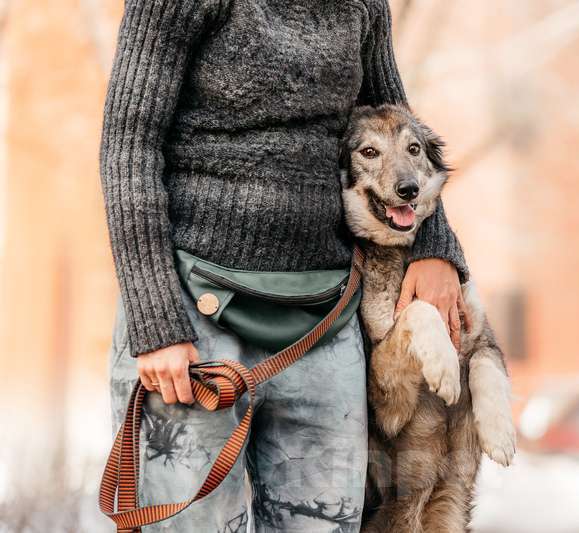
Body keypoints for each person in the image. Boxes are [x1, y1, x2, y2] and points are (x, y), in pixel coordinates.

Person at [99, 0, 469, 531]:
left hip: (325, 320)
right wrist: (155, 322)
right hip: (192, 313)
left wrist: (434, 244)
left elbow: (395, 123)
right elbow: (128, 145)